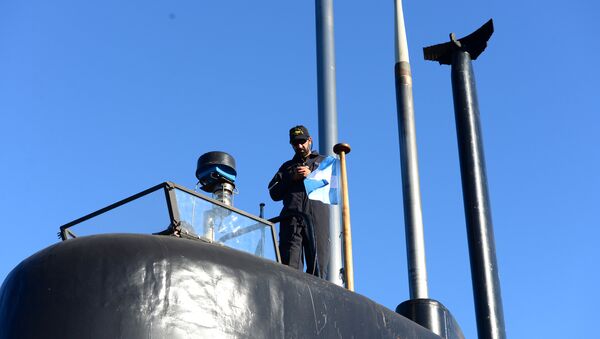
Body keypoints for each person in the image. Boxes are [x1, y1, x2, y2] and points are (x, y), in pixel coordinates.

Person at [268, 125, 330, 278]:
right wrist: (290, 178)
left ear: (310, 140)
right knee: (289, 268)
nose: (299, 146)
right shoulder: (287, 167)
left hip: (317, 220)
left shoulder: (324, 162)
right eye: (295, 143)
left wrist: (311, 175)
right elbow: (273, 193)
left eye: (302, 142)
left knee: (318, 267)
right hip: (291, 220)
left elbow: (334, 186)